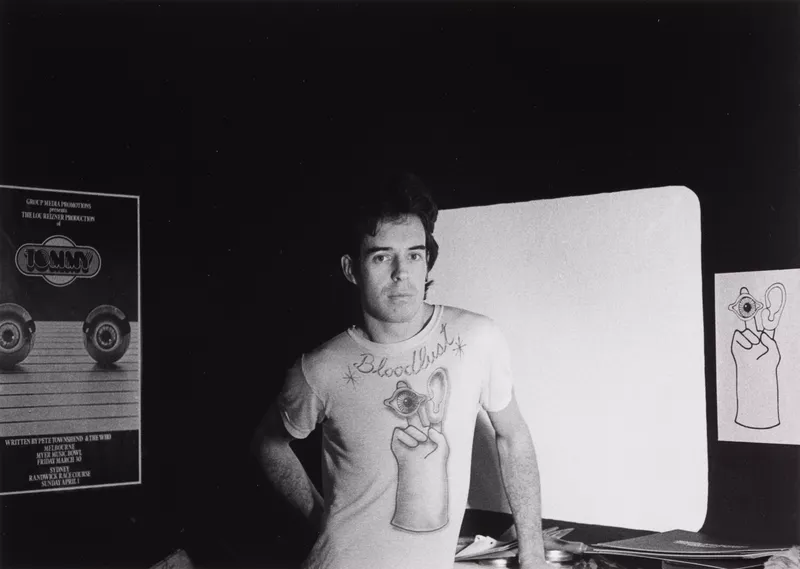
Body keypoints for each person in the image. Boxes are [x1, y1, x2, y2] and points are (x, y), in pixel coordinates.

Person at [253, 171, 548, 569]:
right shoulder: (319, 368)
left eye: (414, 254)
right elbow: (268, 445)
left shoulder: (478, 338)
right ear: (351, 269)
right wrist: (322, 521)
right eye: (381, 256)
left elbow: (513, 436)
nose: (401, 273)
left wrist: (533, 554)